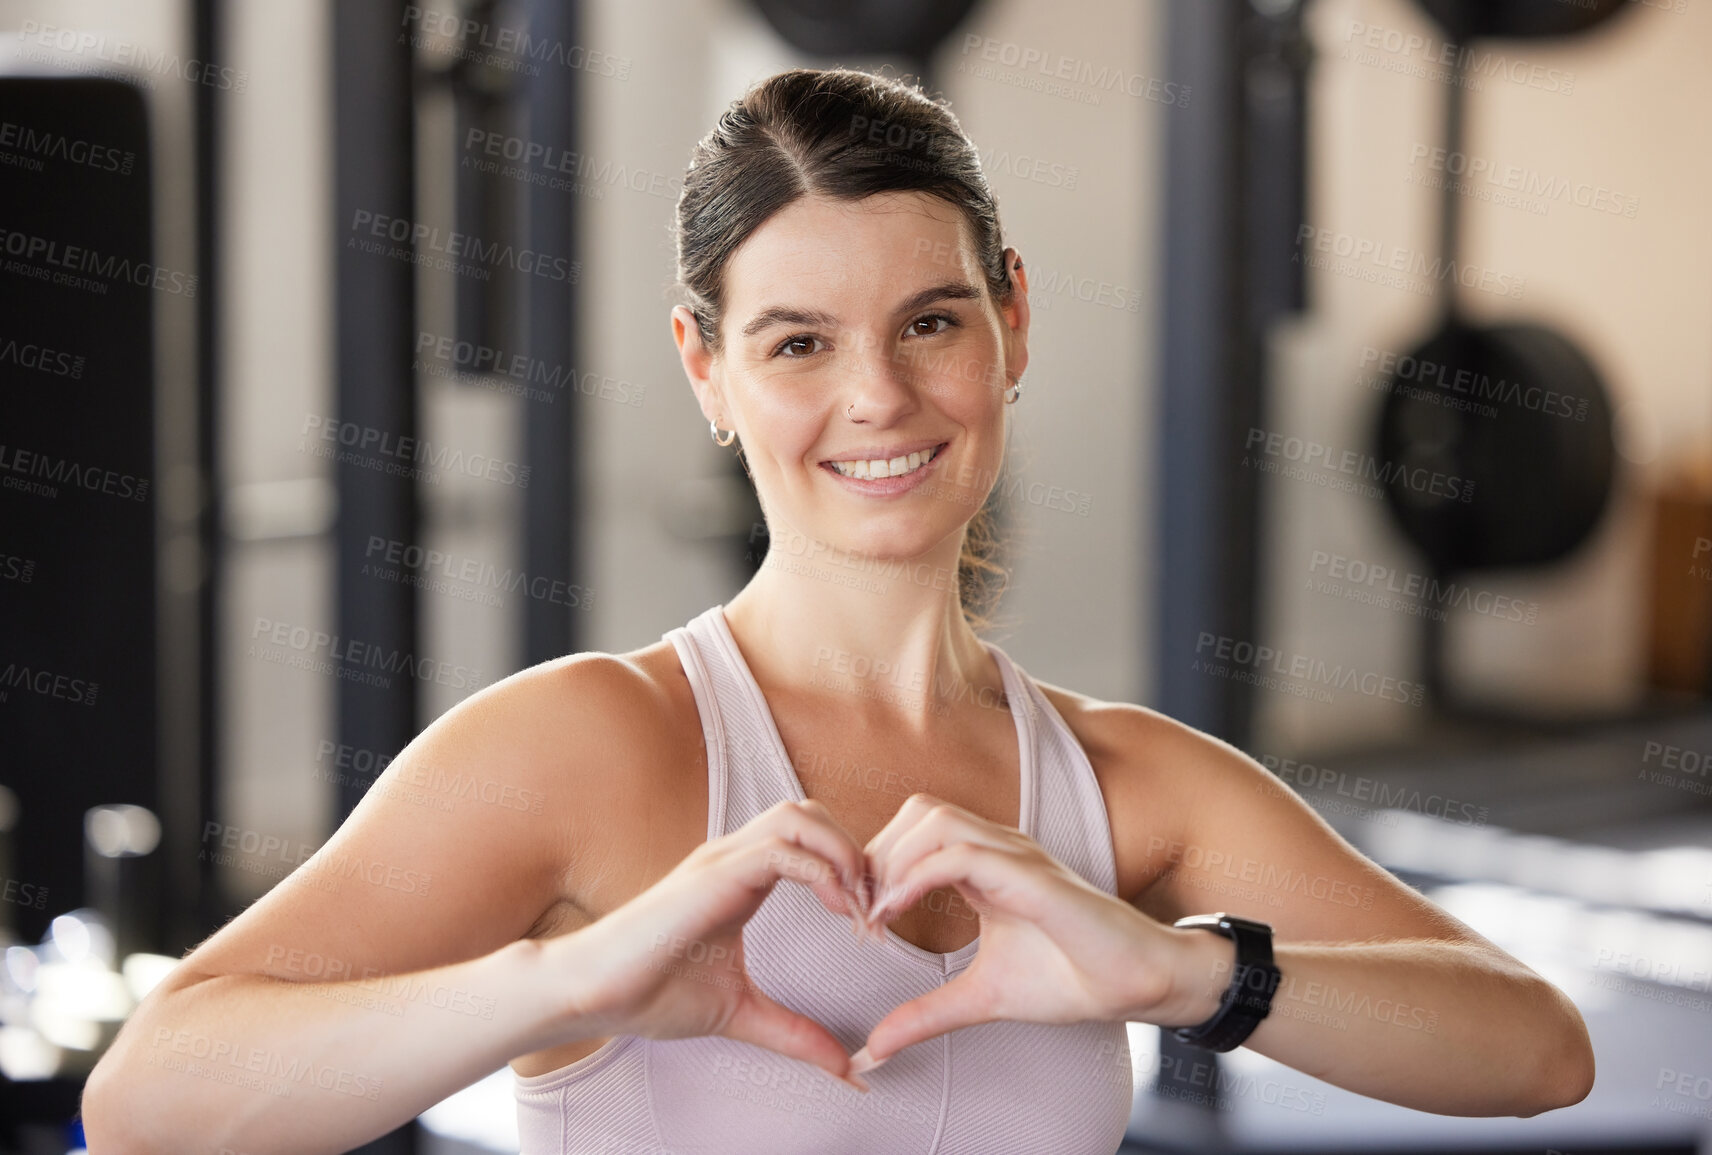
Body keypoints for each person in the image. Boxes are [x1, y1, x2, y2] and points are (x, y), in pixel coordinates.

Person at [80, 66, 1593, 1155]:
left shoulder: (1125, 788)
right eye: (799, 342)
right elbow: (149, 1101)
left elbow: (1536, 1049)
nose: (878, 397)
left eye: (930, 322)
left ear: (1011, 322)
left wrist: (1190, 974)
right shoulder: (591, 746)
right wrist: (556, 981)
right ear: (706, 370)